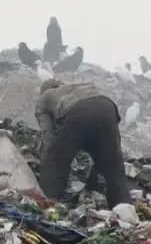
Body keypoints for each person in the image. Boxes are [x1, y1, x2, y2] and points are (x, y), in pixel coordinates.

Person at [35, 79, 130, 207]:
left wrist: (46, 160)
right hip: (107, 107)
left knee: (55, 160)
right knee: (114, 166)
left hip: (79, 111)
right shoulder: (75, 87)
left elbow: (49, 137)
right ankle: (123, 209)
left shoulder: (44, 98)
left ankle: (49, 204)